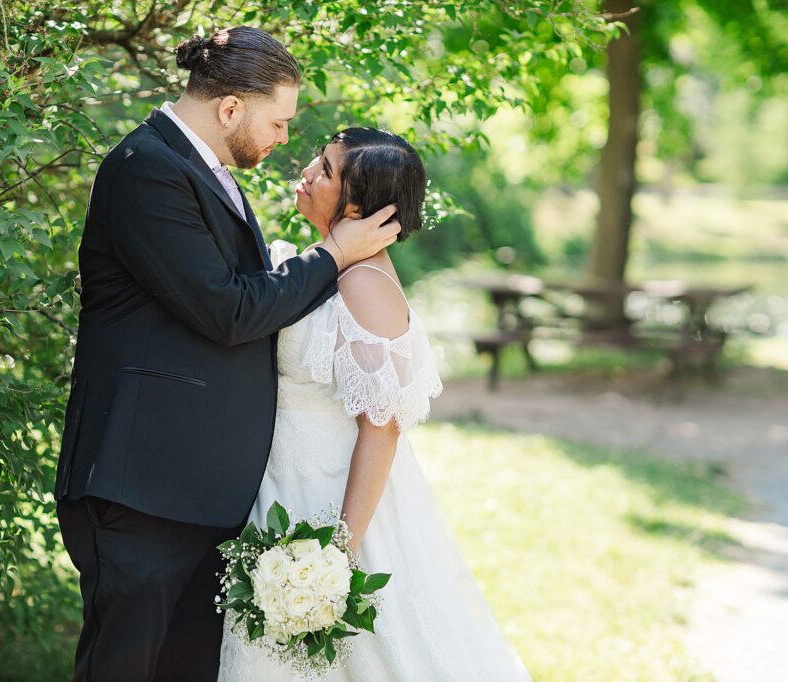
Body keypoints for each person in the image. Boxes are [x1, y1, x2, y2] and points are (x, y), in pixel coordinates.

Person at [53, 27, 400, 681]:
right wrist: (336, 253)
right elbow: (230, 310)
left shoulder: (202, 171)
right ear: (231, 108)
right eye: (277, 121)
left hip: (199, 494)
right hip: (142, 485)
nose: (281, 140)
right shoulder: (146, 170)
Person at [217, 128, 533, 681]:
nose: (308, 172)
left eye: (326, 169)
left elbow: (382, 427)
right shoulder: (325, 265)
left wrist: (335, 554)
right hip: (282, 483)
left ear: (357, 206)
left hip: (333, 502)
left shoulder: (365, 283)